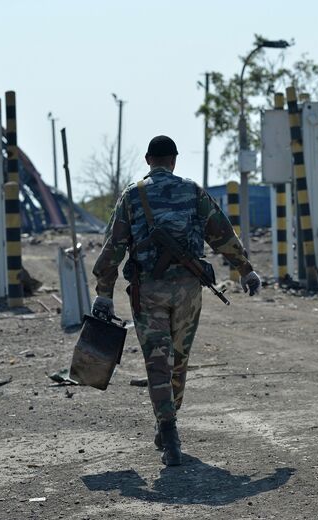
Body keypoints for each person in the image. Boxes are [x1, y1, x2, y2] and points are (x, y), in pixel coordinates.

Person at [91, 135, 261, 466]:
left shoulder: (132, 195)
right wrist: (245, 270)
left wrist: (104, 294)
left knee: (158, 362)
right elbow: (221, 233)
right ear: (173, 161)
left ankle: (168, 433)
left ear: (147, 159)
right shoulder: (192, 190)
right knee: (178, 359)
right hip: (187, 291)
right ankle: (169, 423)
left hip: (148, 291)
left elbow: (113, 246)